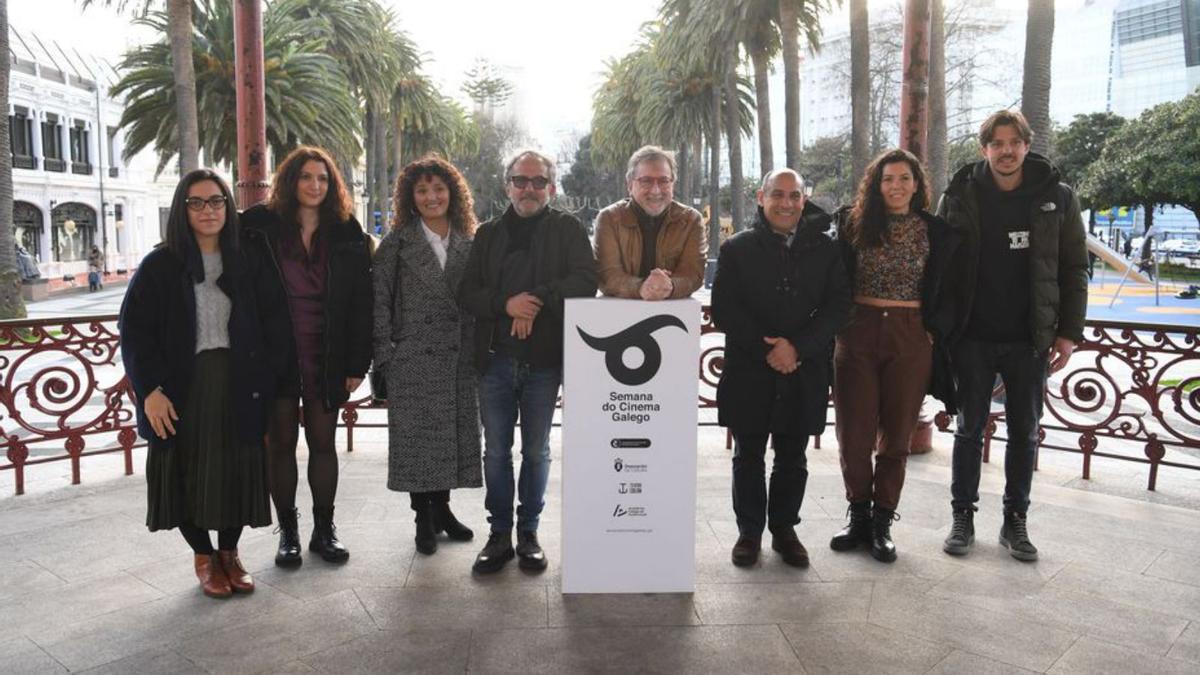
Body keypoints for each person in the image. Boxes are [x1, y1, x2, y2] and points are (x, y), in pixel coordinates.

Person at [119, 169, 287, 598]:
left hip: (240, 381)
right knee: (183, 474)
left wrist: (271, 378)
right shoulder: (161, 263)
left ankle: (229, 553)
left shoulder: (248, 255)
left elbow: (273, 319)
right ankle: (204, 557)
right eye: (197, 202)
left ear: (229, 208)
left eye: (217, 201)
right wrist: (150, 390)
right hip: (180, 388)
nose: (208, 210)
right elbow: (135, 331)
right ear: (182, 209)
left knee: (238, 468)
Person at [938, 110, 1088, 561]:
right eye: (996, 143)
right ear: (984, 148)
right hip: (973, 337)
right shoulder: (960, 194)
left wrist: (1068, 333)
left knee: (1026, 431)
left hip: (1029, 339)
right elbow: (941, 267)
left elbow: (1074, 267)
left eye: (1014, 142)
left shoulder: (1056, 197)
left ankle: (1014, 520)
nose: (1006, 151)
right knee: (968, 430)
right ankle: (962, 517)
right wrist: (941, 329)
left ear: (1027, 145)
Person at [459, 150, 598, 573]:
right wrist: (507, 305)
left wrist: (533, 303)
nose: (529, 189)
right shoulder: (486, 235)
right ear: (508, 186)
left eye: (539, 182)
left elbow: (586, 282)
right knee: (496, 451)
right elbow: (467, 294)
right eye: (521, 181)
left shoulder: (568, 229)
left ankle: (529, 534)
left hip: (545, 362)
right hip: (495, 361)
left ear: (551, 188)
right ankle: (499, 534)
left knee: (536, 452)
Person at [711, 169, 851, 568]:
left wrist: (798, 348)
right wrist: (768, 349)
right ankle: (749, 533)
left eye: (794, 195)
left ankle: (785, 531)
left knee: (793, 456)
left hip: (803, 369)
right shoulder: (737, 248)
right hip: (750, 368)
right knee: (748, 454)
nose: (786, 203)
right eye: (777, 194)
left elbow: (838, 306)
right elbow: (725, 309)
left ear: (804, 199)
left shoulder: (827, 250)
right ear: (761, 197)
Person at [241, 146, 373, 567]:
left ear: (332, 185)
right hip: (275, 352)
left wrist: (357, 364)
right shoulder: (258, 226)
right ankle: (289, 533)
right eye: (306, 177)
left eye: (323, 178)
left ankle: (324, 530)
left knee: (323, 443)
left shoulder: (348, 231)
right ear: (290, 180)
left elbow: (360, 305)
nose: (315, 185)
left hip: (327, 352)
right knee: (279, 445)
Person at [829, 149, 960, 563]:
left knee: (897, 436)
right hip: (858, 333)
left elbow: (953, 288)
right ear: (876, 183)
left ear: (917, 184)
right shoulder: (852, 223)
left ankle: (883, 521)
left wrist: (935, 331)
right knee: (854, 434)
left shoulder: (934, 231)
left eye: (905, 178)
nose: (896, 186)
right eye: (888, 179)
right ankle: (859, 516)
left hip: (911, 335)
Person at [373, 154, 481, 555]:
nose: (432, 197)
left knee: (448, 440)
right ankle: (424, 518)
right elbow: (379, 302)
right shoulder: (396, 245)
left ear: (452, 192)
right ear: (410, 197)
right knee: (418, 444)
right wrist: (385, 355)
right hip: (412, 357)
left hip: (458, 358)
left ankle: (444, 512)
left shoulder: (470, 241)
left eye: (438, 188)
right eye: (422, 190)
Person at [593, 145, 707, 299]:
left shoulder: (691, 220)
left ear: (672, 184)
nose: (655, 190)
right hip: (618, 316)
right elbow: (607, 274)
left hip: (674, 318)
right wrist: (641, 288)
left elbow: (693, 274)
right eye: (646, 181)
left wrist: (670, 285)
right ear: (630, 185)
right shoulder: (609, 219)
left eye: (663, 181)